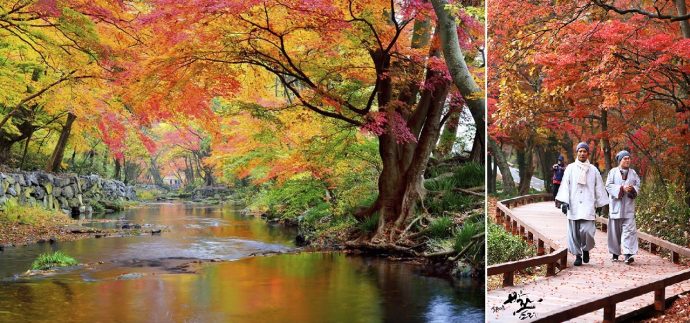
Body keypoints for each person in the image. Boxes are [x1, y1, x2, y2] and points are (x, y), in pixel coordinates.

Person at [555, 142, 608, 266]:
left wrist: (600, 204)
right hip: (573, 204)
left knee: (587, 231)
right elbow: (565, 186)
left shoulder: (593, 170)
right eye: (580, 151)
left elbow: (599, 187)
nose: (582, 153)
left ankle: (586, 249)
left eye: (584, 151)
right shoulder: (570, 168)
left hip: (588, 204)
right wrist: (564, 202)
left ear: (587, 153)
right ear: (577, 153)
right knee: (574, 233)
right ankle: (578, 255)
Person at [605, 150, 640, 264]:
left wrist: (632, 189)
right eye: (625, 158)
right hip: (616, 207)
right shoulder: (613, 172)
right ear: (620, 160)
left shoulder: (633, 173)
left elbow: (638, 185)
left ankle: (628, 255)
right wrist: (621, 189)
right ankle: (615, 253)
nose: (627, 160)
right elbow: (608, 186)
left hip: (628, 207)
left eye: (629, 158)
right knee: (615, 232)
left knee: (629, 231)